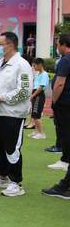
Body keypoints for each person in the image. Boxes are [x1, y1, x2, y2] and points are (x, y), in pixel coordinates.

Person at [0, 32, 32, 197]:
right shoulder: (0, 63)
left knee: (12, 148)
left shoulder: (22, 65)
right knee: (0, 146)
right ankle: (2, 176)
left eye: (0, 44)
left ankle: (16, 183)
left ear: (10, 45)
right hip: (0, 112)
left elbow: (24, 91)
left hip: (14, 114)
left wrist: (3, 98)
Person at [47, 34, 70, 172]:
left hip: (64, 102)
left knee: (64, 131)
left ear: (63, 45)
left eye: (57, 45)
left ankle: (65, 160)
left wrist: (54, 101)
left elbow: (60, 83)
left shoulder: (65, 60)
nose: (57, 47)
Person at [27, 58, 49, 140]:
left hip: (39, 95)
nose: (34, 67)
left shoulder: (44, 74)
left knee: (36, 115)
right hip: (36, 95)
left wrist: (33, 95)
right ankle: (36, 132)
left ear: (40, 65)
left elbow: (41, 87)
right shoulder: (38, 74)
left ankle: (41, 133)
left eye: (35, 65)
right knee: (34, 114)